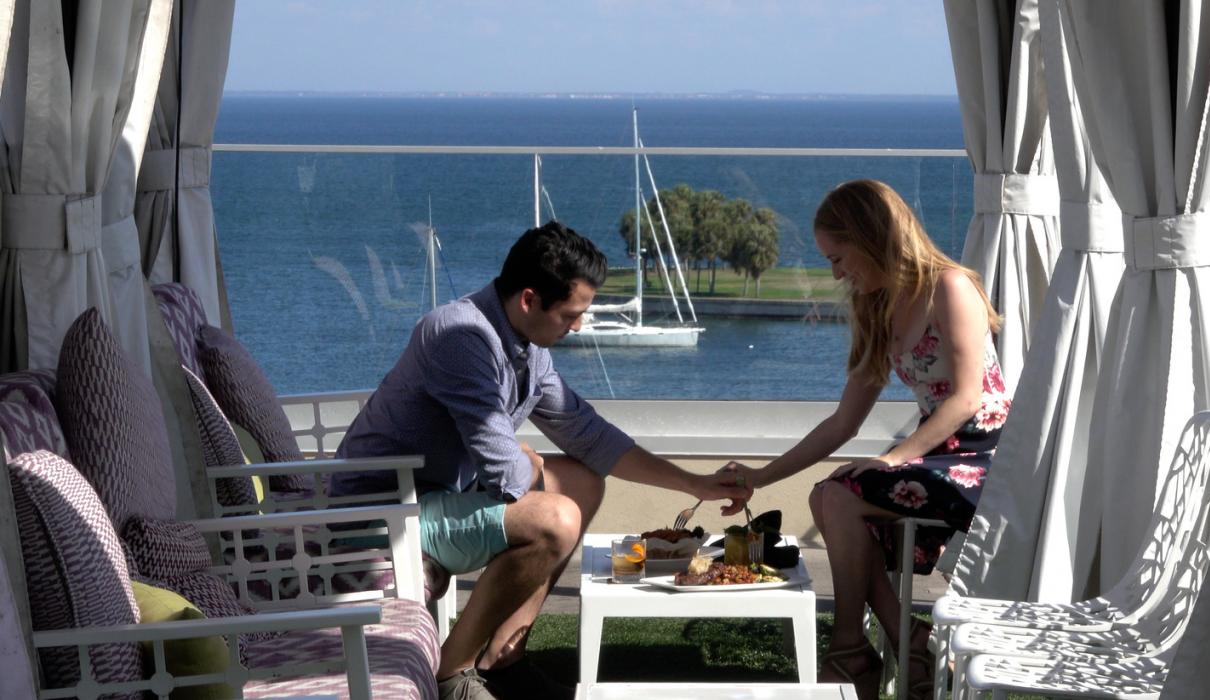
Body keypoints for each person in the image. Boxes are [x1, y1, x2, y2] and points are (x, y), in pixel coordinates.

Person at [328, 221, 749, 700]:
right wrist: (524, 459)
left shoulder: (526, 345)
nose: (579, 325)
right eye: (571, 313)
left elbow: (589, 436)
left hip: (434, 498)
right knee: (557, 517)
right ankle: (451, 673)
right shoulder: (460, 337)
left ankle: (503, 658)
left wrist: (696, 484)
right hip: (378, 514)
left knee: (584, 481)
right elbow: (508, 476)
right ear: (529, 299)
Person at [721, 180, 1009, 700]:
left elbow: (967, 399)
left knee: (839, 497)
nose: (836, 273)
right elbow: (842, 423)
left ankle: (856, 650)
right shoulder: (877, 308)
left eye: (838, 256)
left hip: (988, 460)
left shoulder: (950, 287)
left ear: (872, 237)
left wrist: (894, 457)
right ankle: (896, 641)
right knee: (826, 495)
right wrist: (761, 478)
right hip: (937, 454)